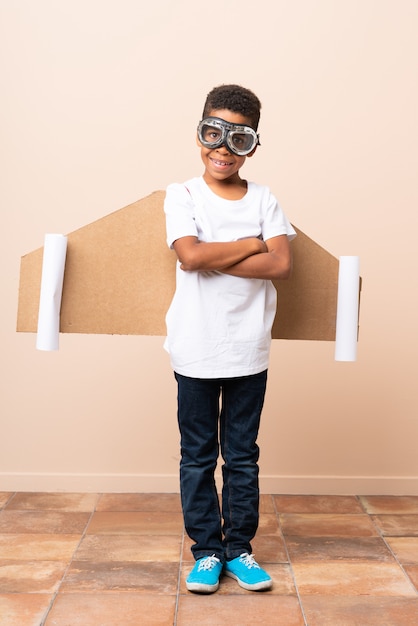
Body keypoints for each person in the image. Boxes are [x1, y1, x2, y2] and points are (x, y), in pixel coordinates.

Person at [164, 84, 296, 594]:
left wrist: (219, 253)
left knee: (241, 455)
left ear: (252, 146)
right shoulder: (183, 195)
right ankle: (206, 553)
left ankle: (238, 549)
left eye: (237, 139)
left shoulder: (265, 198)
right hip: (194, 348)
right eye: (212, 132)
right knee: (197, 455)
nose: (222, 147)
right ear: (199, 134)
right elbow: (190, 257)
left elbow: (281, 265)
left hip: (249, 349)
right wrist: (249, 244)